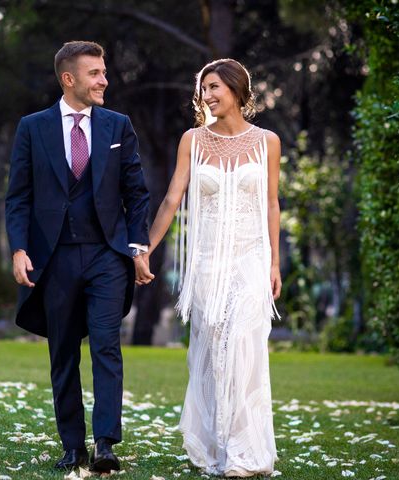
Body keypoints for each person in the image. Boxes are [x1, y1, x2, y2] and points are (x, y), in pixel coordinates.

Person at [5, 40, 152, 473]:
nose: (104, 79)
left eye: (104, 72)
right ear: (69, 79)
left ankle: (105, 443)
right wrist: (18, 249)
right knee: (63, 353)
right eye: (95, 73)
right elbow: (18, 197)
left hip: (108, 255)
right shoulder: (32, 127)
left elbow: (136, 193)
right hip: (54, 258)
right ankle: (73, 446)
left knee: (107, 346)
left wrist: (138, 248)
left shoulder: (118, 125)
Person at [139, 58, 281, 477]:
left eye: (215, 86)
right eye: (204, 88)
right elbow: (171, 199)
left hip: (251, 258)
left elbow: (272, 204)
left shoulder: (267, 141)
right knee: (215, 352)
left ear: (238, 90)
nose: (208, 95)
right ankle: (219, 447)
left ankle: (245, 452)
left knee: (244, 346)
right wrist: (146, 249)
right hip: (207, 264)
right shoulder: (193, 140)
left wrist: (275, 262)